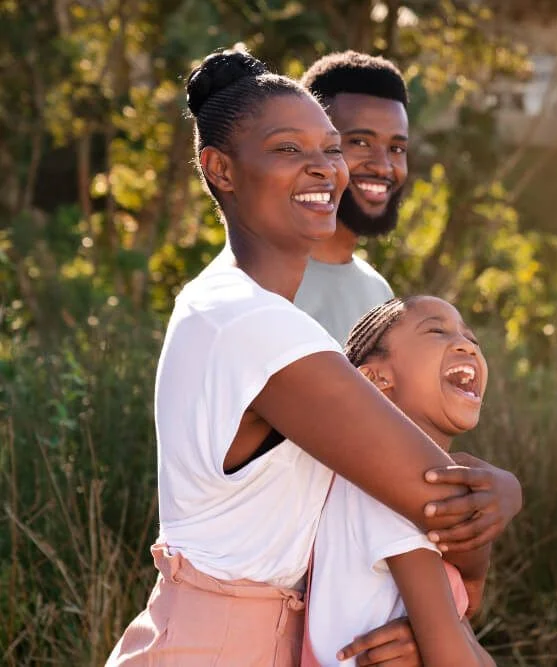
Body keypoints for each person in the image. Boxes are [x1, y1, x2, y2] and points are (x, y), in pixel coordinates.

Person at [106, 49, 521, 667]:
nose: (324, 169)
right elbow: (446, 505)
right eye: (287, 150)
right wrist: (506, 494)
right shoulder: (255, 326)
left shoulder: (225, 302)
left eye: (329, 149)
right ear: (219, 168)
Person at [303, 296, 495, 666]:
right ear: (375, 378)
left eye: (472, 339)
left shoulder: (411, 482)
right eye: (437, 331)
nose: (466, 345)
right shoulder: (386, 487)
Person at [294, 51, 409, 344]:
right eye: (360, 142)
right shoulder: (263, 284)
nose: (383, 166)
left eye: (396, 148)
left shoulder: (377, 292)